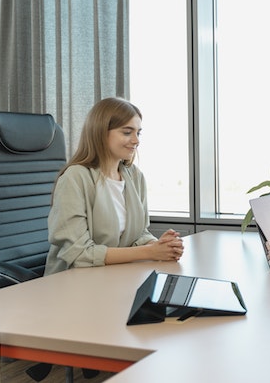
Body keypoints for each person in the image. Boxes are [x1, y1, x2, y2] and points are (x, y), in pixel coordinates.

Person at [45, 97, 184, 275]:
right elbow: (79, 254)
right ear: (101, 133)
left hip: (114, 277)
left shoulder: (134, 176)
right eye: (127, 132)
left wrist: (159, 246)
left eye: (138, 133)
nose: (136, 140)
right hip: (73, 283)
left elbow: (139, 234)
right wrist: (150, 252)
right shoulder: (75, 178)